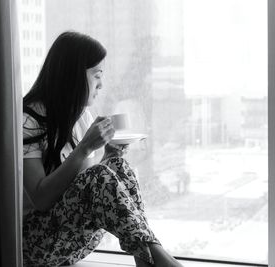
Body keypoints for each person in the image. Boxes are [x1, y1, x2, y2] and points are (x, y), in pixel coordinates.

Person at [22, 31, 183, 267]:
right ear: (73, 76)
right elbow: (42, 198)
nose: (101, 84)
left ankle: (145, 259)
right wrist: (85, 147)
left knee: (118, 166)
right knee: (100, 175)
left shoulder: (81, 117)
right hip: (35, 243)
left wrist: (108, 156)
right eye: (97, 75)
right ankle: (159, 260)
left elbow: (80, 186)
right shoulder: (29, 119)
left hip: (67, 237)